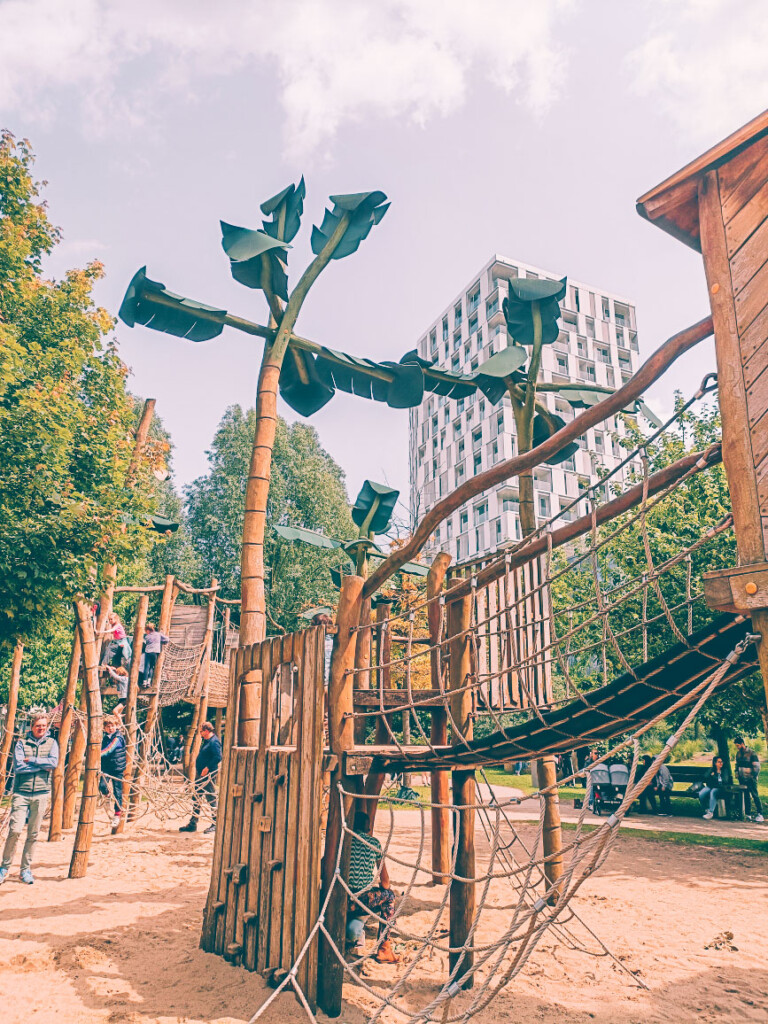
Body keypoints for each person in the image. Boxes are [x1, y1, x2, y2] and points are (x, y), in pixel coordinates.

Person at [0, 712, 59, 884]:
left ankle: (25, 869)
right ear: (32, 727)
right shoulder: (21, 743)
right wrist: (42, 765)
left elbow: (53, 763)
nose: (41, 728)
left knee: (33, 833)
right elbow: (19, 767)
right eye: (38, 725)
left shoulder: (52, 743)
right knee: (15, 830)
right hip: (21, 793)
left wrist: (32, 760)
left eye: (44, 725)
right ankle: (4, 867)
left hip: (41, 793)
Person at [346, 810, 398, 963]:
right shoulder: (373, 843)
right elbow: (385, 882)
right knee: (389, 896)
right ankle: (384, 947)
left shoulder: (344, 840)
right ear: (368, 827)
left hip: (342, 896)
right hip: (362, 899)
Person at [179, 721, 222, 834]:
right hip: (201, 775)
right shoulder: (208, 741)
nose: (200, 733)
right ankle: (193, 823)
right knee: (196, 798)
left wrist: (207, 767)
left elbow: (218, 757)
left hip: (208, 775)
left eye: (201, 731)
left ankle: (215, 823)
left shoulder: (214, 742)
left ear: (207, 731)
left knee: (211, 798)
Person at [99, 715, 127, 828]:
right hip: (106, 767)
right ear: (104, 728)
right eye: (108, 726)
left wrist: (97, 754)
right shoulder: (105, 737)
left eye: (113, 726)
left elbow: (109, 749)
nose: (110, 728)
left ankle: (117, 813)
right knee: (101, 785)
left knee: (117, 790)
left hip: (117, 768)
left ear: (117, 726)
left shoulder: (118, 738)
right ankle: (106, 794)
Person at [734, 737, 764, 822]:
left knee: (755, 795)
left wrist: (753, 777)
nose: (737, 747)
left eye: (738, 745)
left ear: (742, 743)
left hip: (751, 779)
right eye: (736, 746)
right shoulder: (738, 754)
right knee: (746, 796)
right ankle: (748, 814)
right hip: (742, 779)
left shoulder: (752, 753)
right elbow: (737, 764)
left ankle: (760, 814)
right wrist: (737, 772)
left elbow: (757, 767)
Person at [699, 755, 731, 820]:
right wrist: (711, 773)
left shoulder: (724, 770)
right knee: (701, 794)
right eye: (719, 762)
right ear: (715, 763)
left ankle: (711, 813)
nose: (721, 763)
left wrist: (713, 777)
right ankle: (707, 809)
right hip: (710, 786)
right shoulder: (712, 769)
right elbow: (705, 777)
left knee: (713, 792)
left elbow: (725, 780)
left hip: (720, 788)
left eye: (721, 762)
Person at [141, 622, 170, 688]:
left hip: (148, 652)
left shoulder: (147, 636)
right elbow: (167, 639)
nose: (146, 632)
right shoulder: (158, 634)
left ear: (148, 630)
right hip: (155, 652)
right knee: (152, 667)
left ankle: (144, 682)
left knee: (146, 667)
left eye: (146, 631)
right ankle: (149, 682)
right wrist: (162, 642)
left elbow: (146, 643)